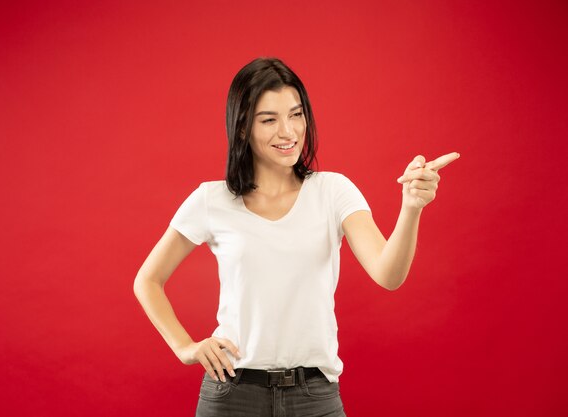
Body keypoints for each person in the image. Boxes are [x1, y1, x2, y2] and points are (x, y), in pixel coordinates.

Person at [133, 57, 459, 416]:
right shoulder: (212, 200)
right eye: (269, 120)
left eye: (296, 114)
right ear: (242, 128)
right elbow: (147, 280)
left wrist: (411, 206)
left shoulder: (333, 191)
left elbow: (389, 274)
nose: (288, 132)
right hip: (232, 395)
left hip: (314, 397)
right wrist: (186, 348)